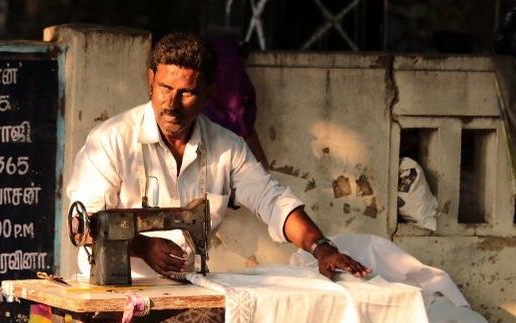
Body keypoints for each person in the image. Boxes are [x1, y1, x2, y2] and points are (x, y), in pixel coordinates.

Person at [66, 32, 369, 281]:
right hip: (115, 290)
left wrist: (321, 248)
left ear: (208, 93)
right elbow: (84, 225)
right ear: (150, 80)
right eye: (164, 88)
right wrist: (142, 246)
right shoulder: (111, 141)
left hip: (187, 288)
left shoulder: (227, 148)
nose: (171, 104)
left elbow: (273, 200)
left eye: (186, 93)